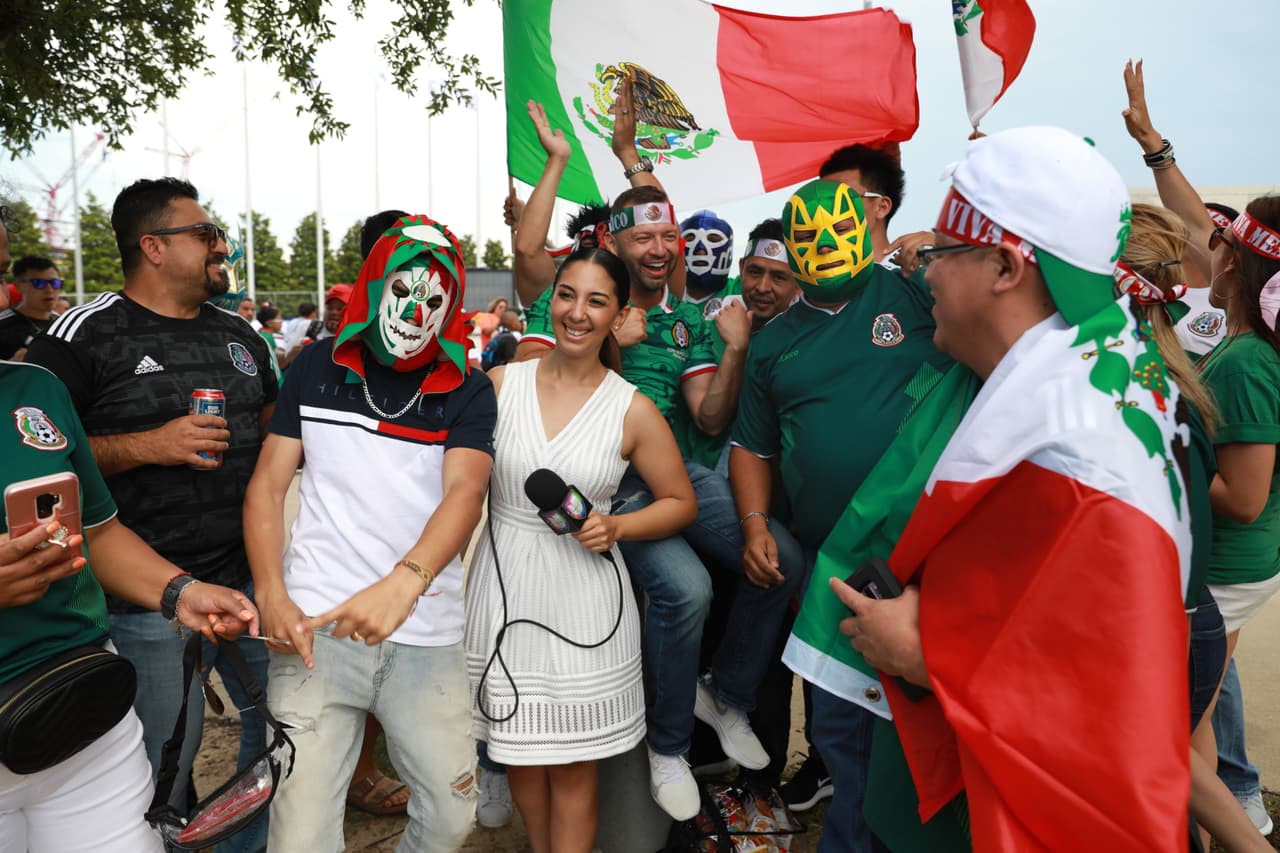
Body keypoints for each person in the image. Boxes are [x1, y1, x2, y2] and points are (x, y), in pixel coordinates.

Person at [833, 126, 1192, 850]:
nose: (926, 275)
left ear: (1004, 265)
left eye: (940, 252)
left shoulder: (1084, 452)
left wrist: (926, 653)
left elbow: (1111, 688)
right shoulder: (1081, 384)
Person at [25, 177, 278, 853]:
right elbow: (35, 460)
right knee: (161, 769)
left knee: (282, 734)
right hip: (143, 605)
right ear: (154, 247)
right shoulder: (81, 335)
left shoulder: (242, 335)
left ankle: (243, 845)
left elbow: (280, 439)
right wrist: (148, 445)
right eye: (205, 232)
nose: (220, 245)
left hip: (249, 585)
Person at [244, 214, 495, 852]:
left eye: (434, 301)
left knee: (450, 816)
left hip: (425, 633)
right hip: (314, 629)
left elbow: (465, 493)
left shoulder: (469, 389)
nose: (415, 312)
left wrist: (405, 582)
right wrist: (271, 592)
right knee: (299, 837)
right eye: (403, 290)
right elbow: (268, 485)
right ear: (375, 284)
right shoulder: (314, 366)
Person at [730, 178, 953, 850]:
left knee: (929, 741)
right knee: (843, 733)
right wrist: (754, 522)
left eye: (839, 228)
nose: (825, 244)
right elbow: (753, 446)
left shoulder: (915, 292)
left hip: (936, 563)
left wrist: (939, 251)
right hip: (840, 570)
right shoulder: (773, 342)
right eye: (809, 235)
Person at [467, 247, 697, 853]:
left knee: (572, 766)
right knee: (520, 753)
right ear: (552, 301)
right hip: (505, 590)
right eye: (567, 295)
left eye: (596, 301)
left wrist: (618, 527)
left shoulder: (631, 408)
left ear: (618, 316)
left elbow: (681, 501)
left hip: (586, 602)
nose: (577, 313)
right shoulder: (500, 384)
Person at [0, 255, 63, 360]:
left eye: (55, 283)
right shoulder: (3, 324)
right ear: (18, 286)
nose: (49, 290)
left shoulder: (63, 322)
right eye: (39, 283)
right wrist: (12, 366)